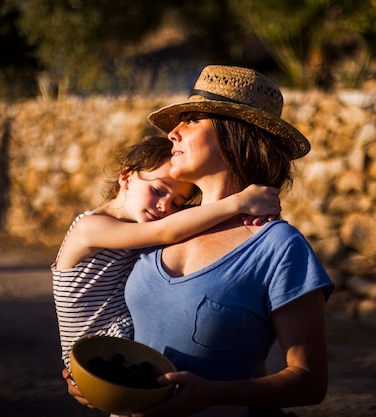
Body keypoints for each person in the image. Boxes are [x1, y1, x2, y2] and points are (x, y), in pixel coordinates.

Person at [121, 65, 335, 417]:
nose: (173, 132)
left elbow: (310, 382)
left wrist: (213, 394)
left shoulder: (278, 248)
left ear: (232, 134)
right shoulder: (159, 226)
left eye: (191, 120)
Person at [52, 135, 281, 381]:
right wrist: (239, 203)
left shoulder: (140, 229)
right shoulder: (90, 227)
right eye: (157, 190)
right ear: (127, 177)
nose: (164, 206)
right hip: (97, 356)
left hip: (122, 346)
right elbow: (167, 230)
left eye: (176, 203)